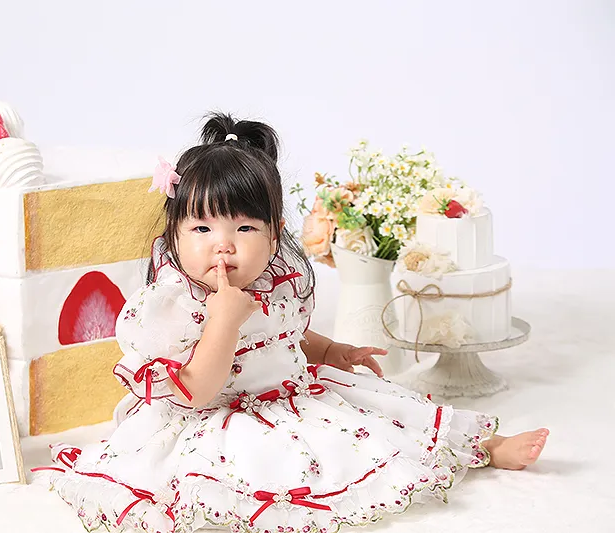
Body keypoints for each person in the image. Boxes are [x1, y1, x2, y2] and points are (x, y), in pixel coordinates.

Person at [40, 112, 549, 533]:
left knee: (386, 421)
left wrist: (331, 351)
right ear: (173, 232)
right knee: (257, 474)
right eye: (201, 228)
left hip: (291, 395)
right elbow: (196, 390)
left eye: (244, 227)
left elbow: (285, 335)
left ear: (274, 233)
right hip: (213, 416)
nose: (223, 245)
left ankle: (485, 448)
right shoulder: (175, 305)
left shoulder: (273, 283)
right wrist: (223, 321)